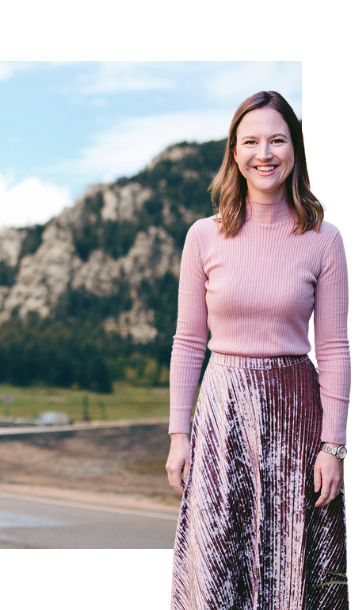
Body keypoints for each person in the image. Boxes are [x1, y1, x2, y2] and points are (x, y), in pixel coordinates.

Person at [165, 91, 349, 609]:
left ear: (295, 149)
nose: (264, 153)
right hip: (222, 420)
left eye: (276, 139)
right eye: (251, 141)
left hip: (297, 420)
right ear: (235, 153)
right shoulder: (204, 236)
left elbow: (333, 348)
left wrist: (333, 446)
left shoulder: (323, 239)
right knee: (217, 568)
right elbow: (187, 342)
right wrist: (180, 436)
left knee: (293, 570)